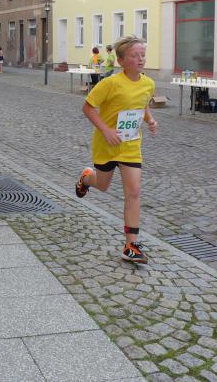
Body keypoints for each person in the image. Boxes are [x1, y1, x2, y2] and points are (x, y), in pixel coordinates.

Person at [75, 36, 158, 264]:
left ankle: (131, 245)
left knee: (134, 191)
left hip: (130, 146)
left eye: (142, 55)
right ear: (121, 61)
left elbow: (142, 105)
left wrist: (150, 120)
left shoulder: (148, 84)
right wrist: (106, 130)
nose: (140, 59)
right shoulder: (110, 83)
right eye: (134, 55)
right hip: (107, 144)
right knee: (102, 185)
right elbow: (88, 107)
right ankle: (86, 177)